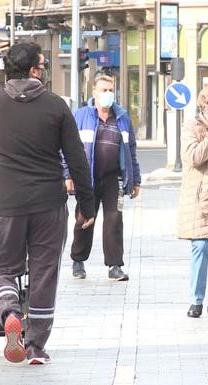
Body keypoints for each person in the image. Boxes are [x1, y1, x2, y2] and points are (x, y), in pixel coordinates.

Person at [0, 41, 95, 364]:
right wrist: (86, 204)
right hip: (50, 204)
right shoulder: (56, 106)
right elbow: (77, 159)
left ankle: (9, 310)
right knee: (44, 272)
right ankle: (36, 346)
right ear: (35, 70)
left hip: (7, 204)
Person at [64, 72, 141, 282]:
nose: (108, 94)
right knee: (84, 219)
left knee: (114, 219)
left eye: (110, 90)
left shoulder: (123, 118)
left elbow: (131, 150)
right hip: (86, 178)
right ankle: (78, 261)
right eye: (103, 90)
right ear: (94, 93)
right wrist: (67, 174)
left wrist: (135, 180)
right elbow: (68, 149)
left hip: (113, 179)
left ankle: (115, 265)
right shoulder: (81, 116)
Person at [177, 85, 208, 318]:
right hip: (201, 198)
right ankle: (196, 301)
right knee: (200, 247)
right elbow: (193, 157)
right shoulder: (192, 127)